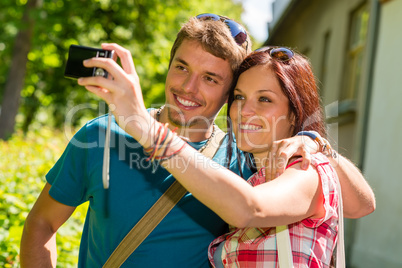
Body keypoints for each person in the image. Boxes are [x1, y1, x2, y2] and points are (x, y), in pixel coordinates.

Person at [20, 14, 375, 267]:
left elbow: (359, 203)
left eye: (210, 78)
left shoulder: (246, 158)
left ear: (227, 92)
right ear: (168, 63)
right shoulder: (100, 136)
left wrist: (315, 143)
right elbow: (41, 224)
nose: (188, 88)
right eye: (182, 67)